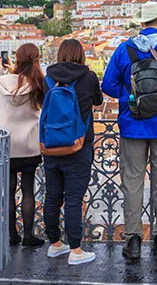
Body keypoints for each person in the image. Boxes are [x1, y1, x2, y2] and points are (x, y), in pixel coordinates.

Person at [102, 1, 157, 259]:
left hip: (132, 125)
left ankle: (132, 239)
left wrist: (129, 97)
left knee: (132, 183)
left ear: (141, 23)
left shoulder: (123, 49)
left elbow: (108, 85)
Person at [43, 39, 103, 265]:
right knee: (73, 199)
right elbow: (98, 100)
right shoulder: (88, 78)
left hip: (50, 146)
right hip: (79, 145)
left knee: (52, 196)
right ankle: (76, 250)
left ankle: (55, 244)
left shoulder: (48, 78)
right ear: (81, 55)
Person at [0, 44, 45, 247]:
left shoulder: (2, 82)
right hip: (29, 144)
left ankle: (11, 234)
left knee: (9, 191)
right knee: (28, 189)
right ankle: (28, 235)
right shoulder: (38, 84)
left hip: (6, 144)